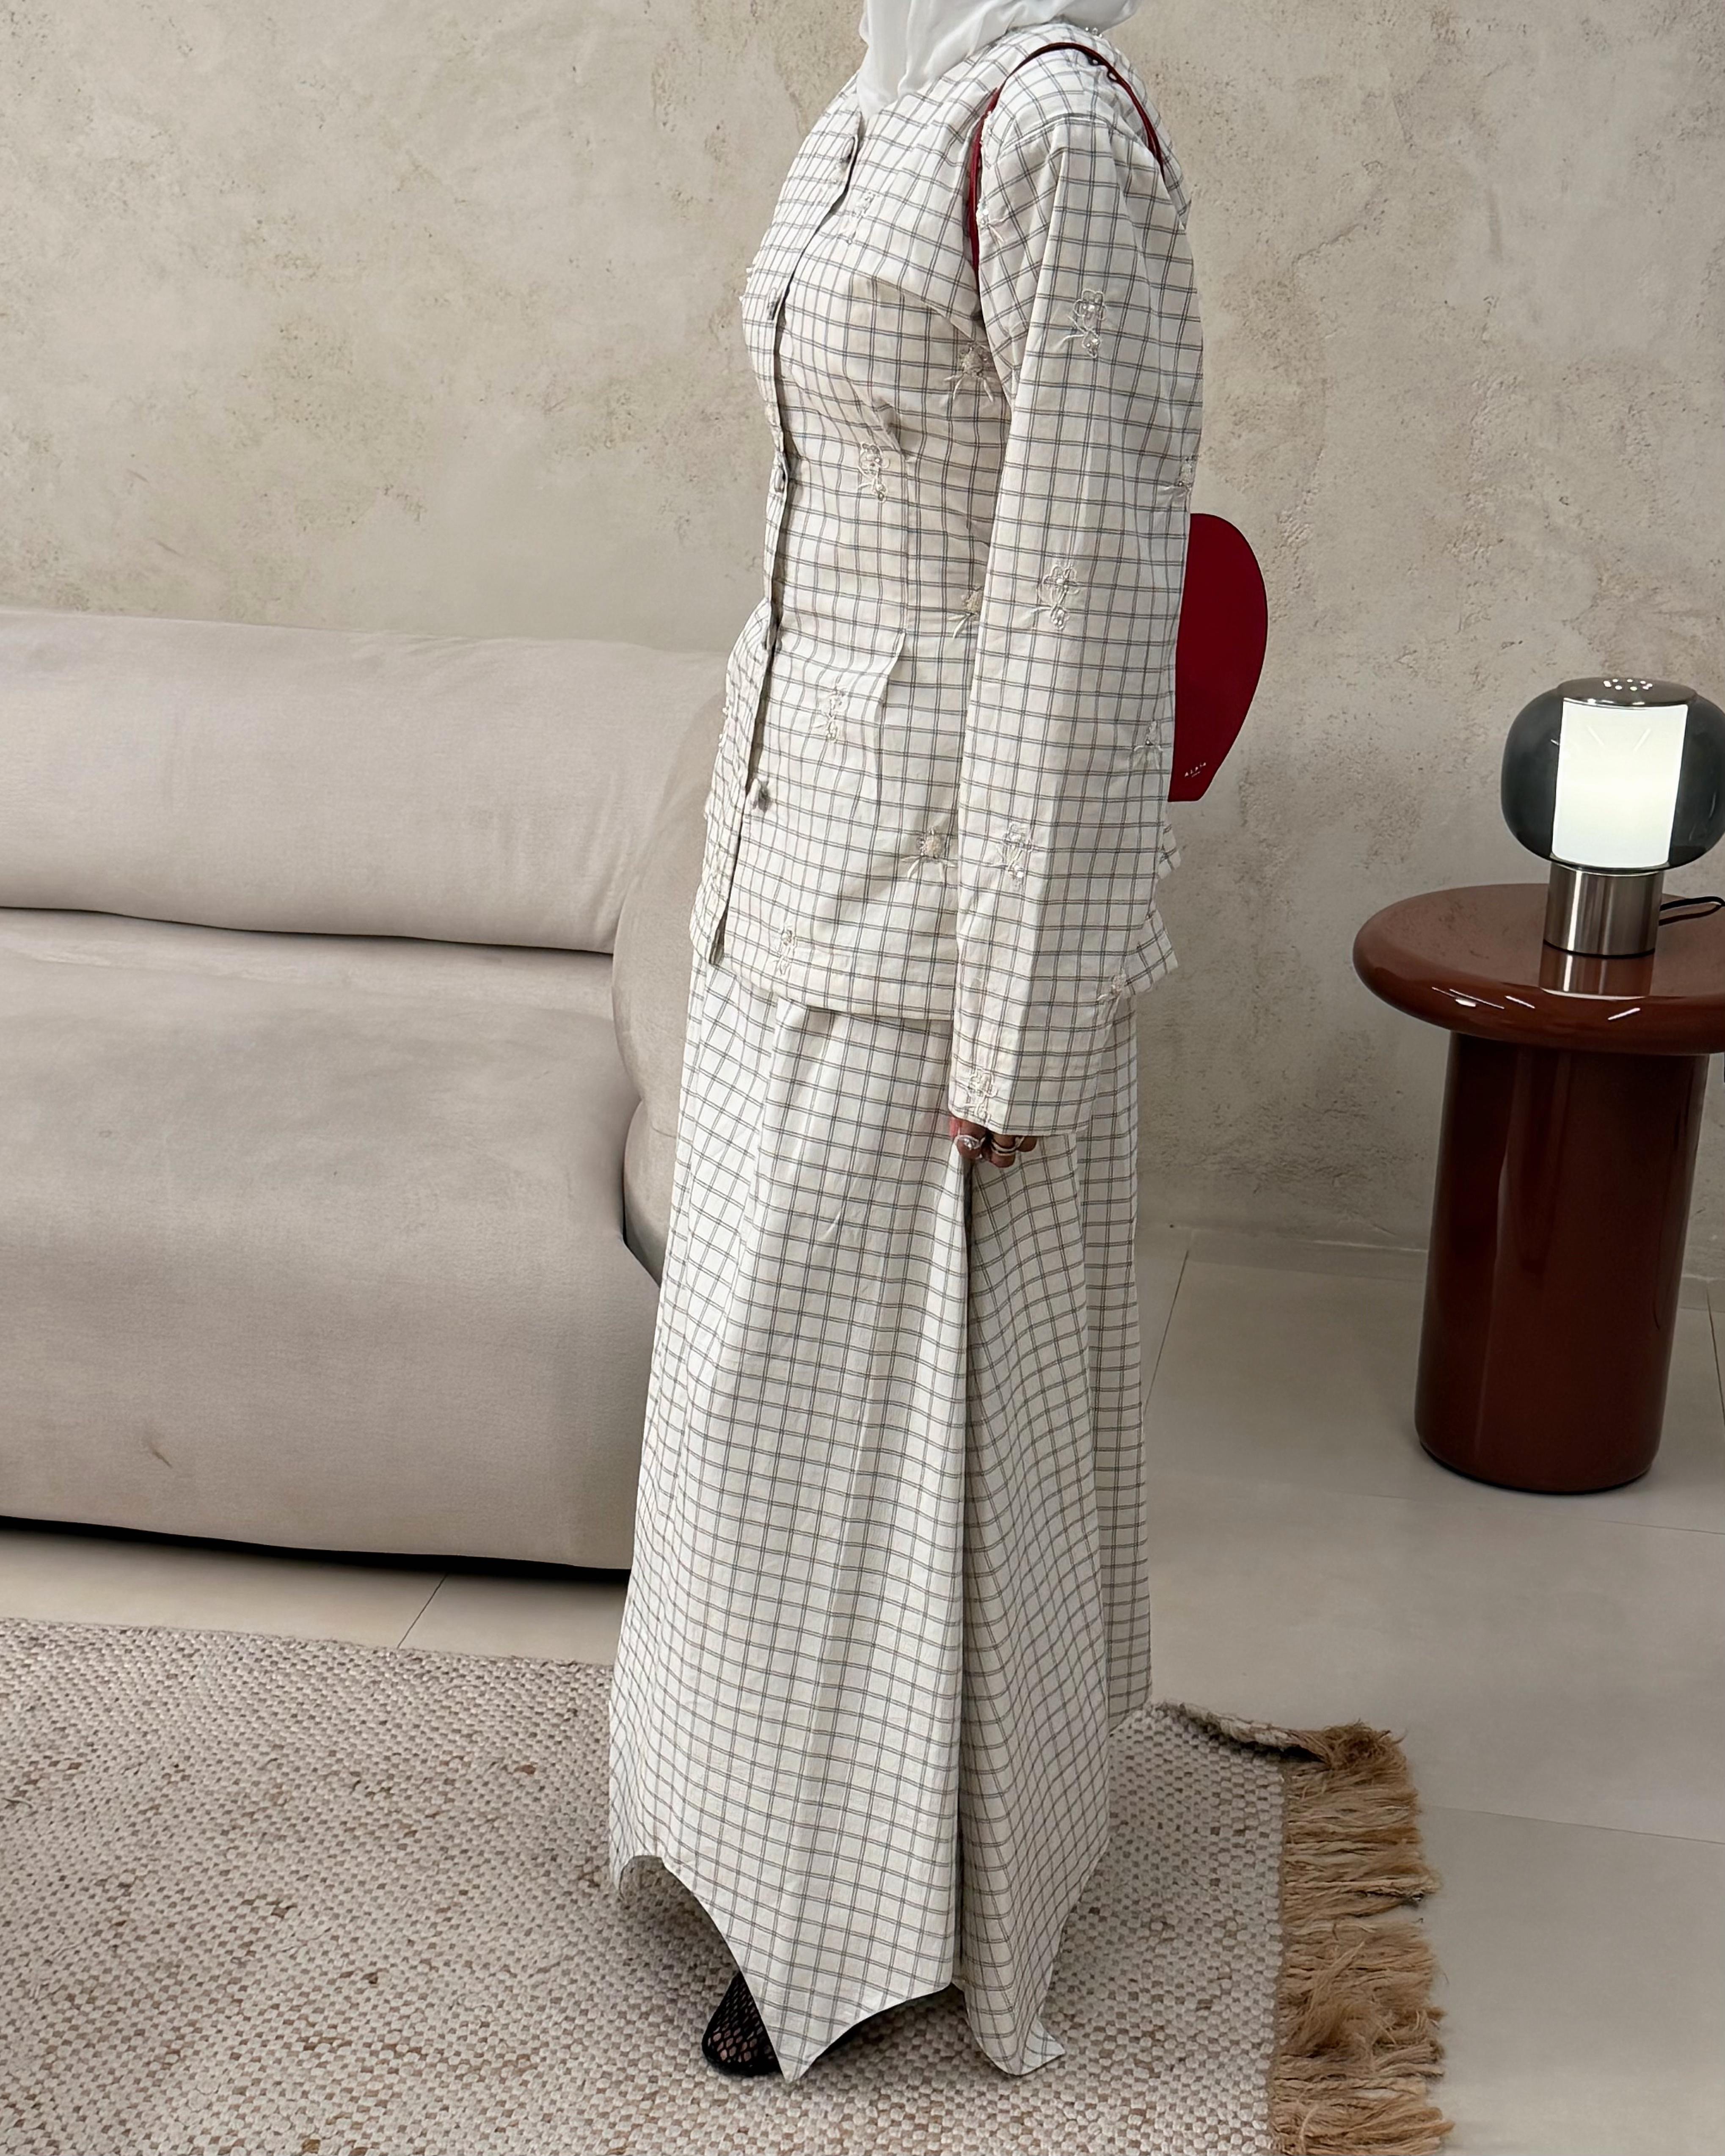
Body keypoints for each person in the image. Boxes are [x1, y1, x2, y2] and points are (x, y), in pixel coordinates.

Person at [607, 0, 1202, 2083]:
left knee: (873, 1424)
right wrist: (724, 853)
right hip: (785, 853)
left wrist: (1023, 1018)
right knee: (748, 1408)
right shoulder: (862, 112)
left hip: (939, 902)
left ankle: (867, 1902)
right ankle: (741, 1826)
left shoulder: (1054, 138)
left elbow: (1083, 610)